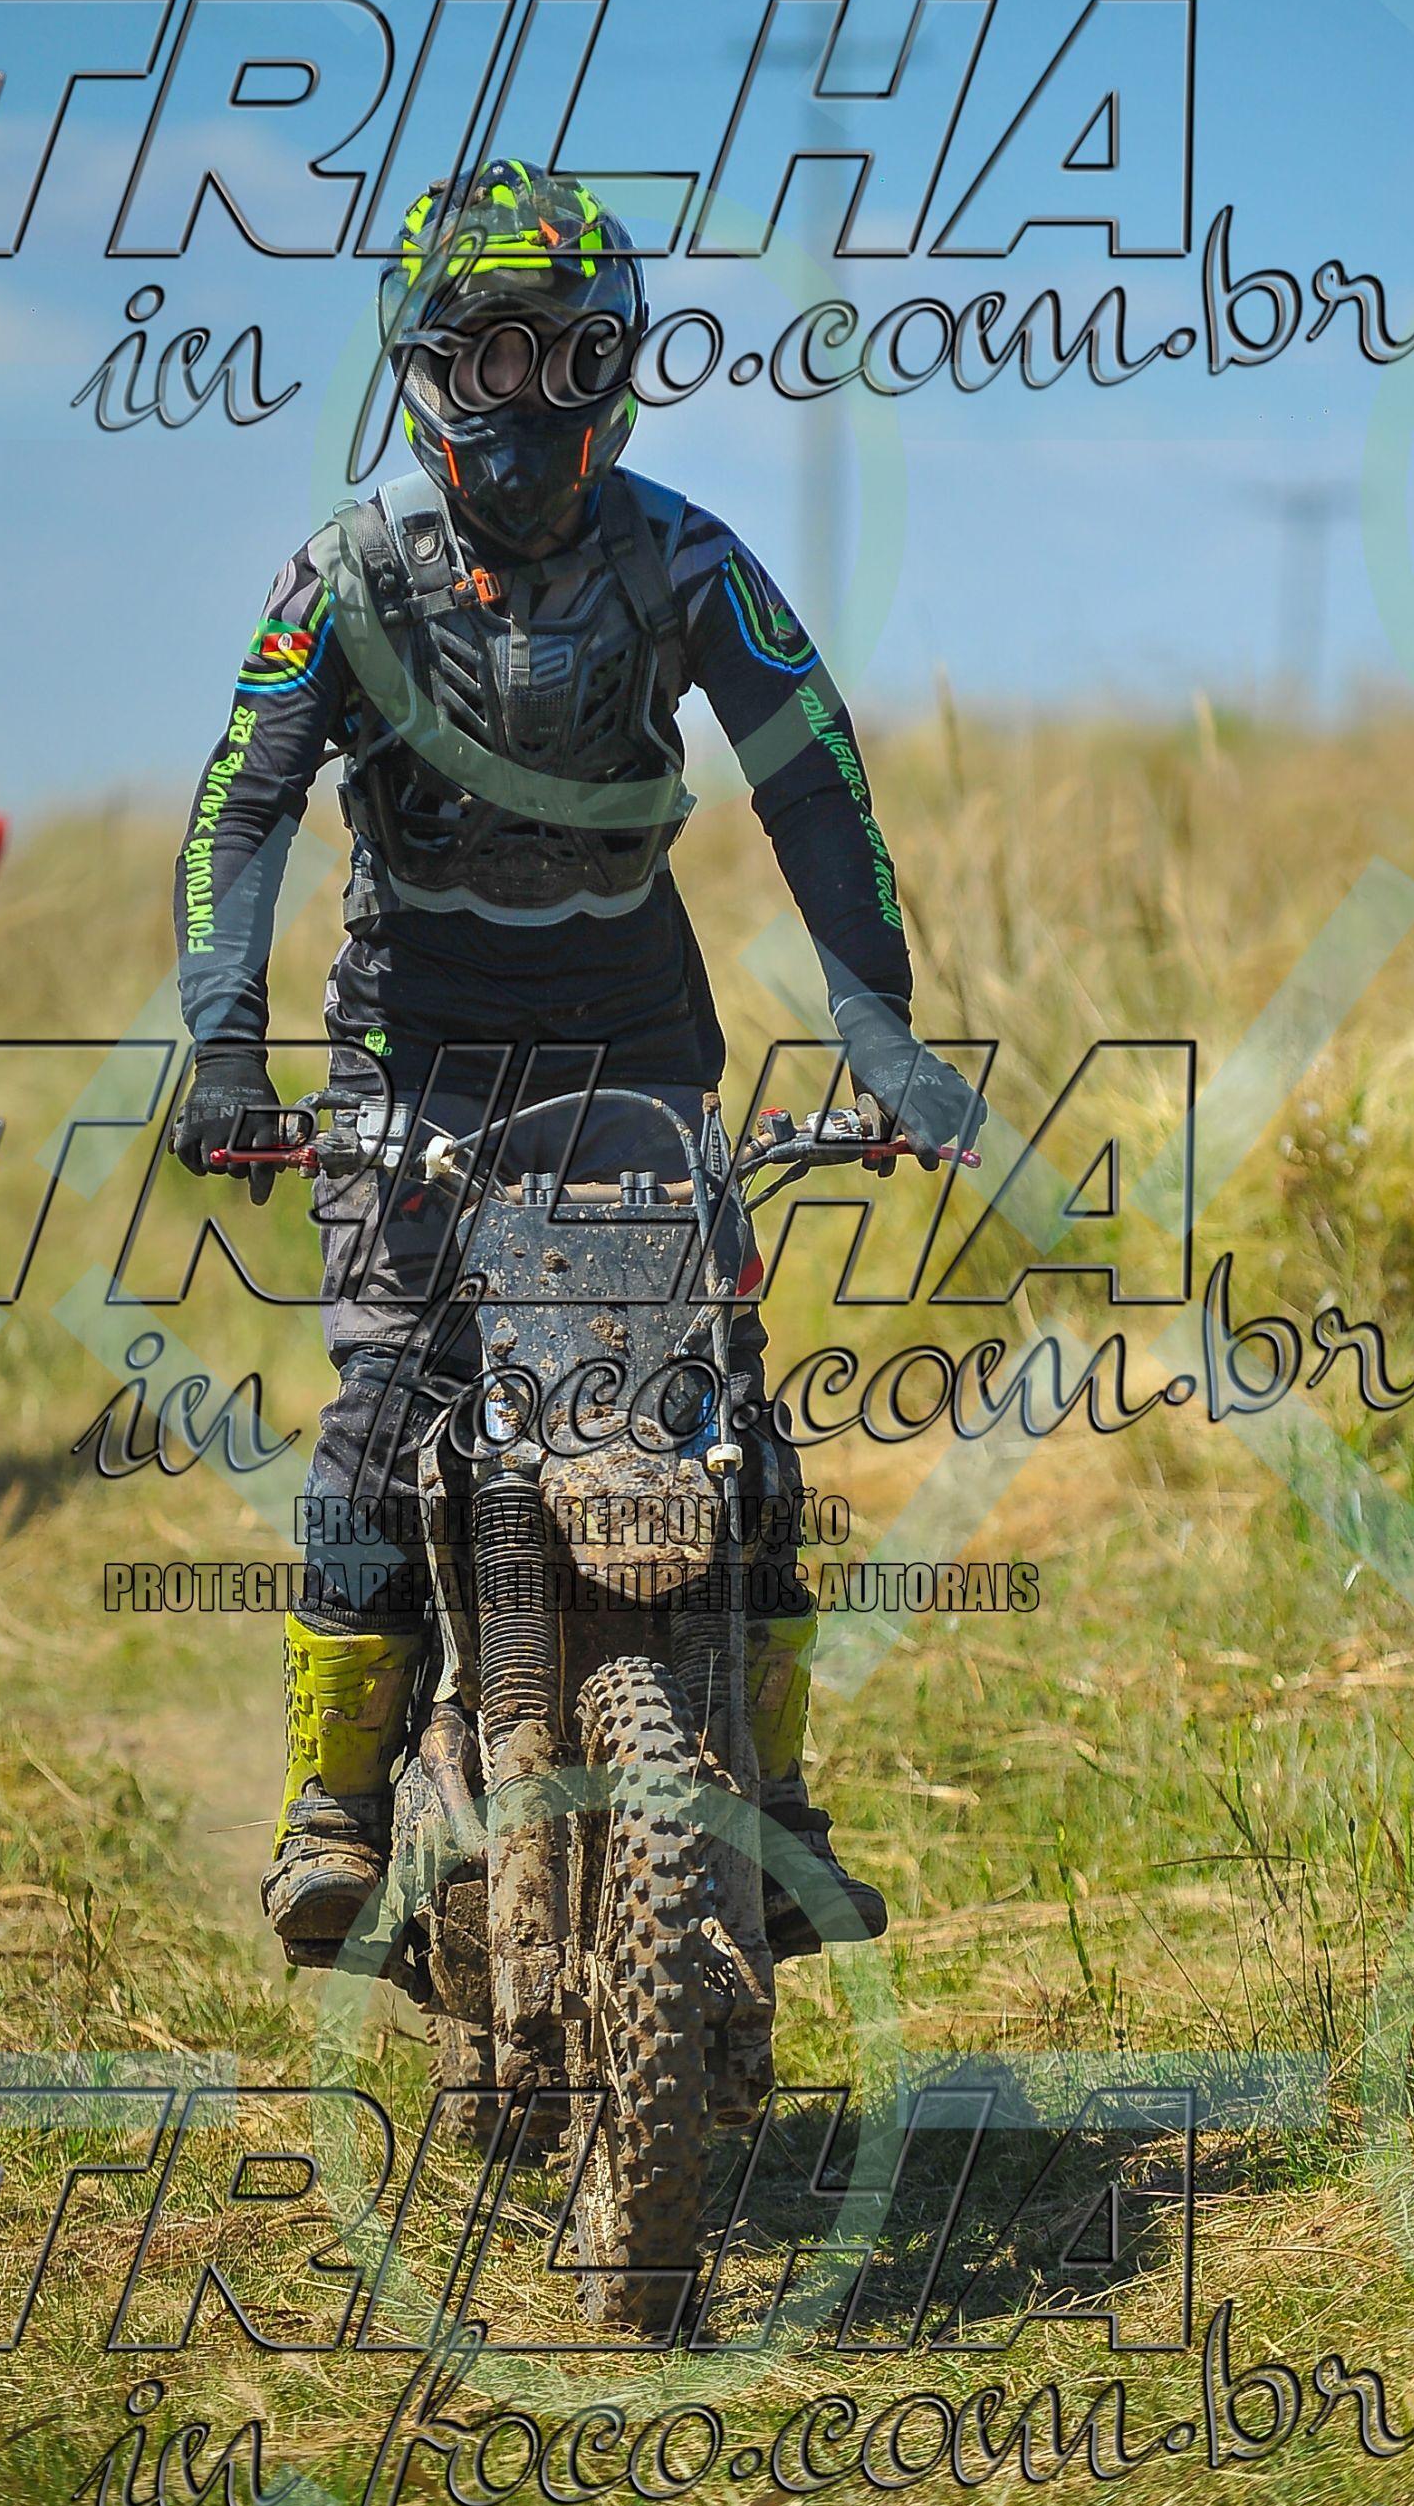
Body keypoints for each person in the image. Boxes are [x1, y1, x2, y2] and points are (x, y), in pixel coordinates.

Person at [169, 159, 985, 1971]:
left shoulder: (690, 559)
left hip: (636, 1044)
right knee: (384, 1419)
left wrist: (879, 1028)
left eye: (575, 356)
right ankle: (336, 1802)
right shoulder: (344, 574)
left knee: (732, 1432)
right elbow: (243, 805)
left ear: (623, 366)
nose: (533, 396)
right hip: (408, 1051)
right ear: (425, 369)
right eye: (495, 354)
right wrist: (225, 1045)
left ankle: (774, 1799)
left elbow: (814, 779)